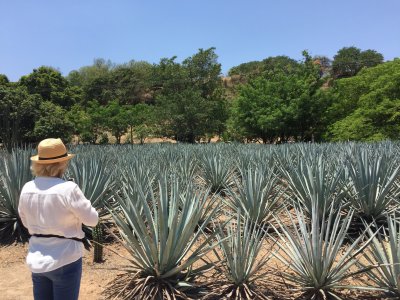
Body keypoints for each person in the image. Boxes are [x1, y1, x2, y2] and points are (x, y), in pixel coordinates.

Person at [18, 138, 98, 300]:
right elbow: (92, 220)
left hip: (37, 259)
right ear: (61, 164)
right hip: (65, 258)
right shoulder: (68, 189)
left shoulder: (27, 188)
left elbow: (26, 222)